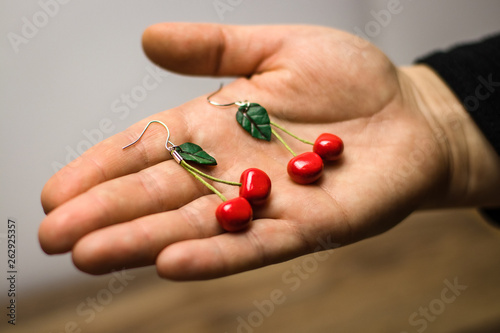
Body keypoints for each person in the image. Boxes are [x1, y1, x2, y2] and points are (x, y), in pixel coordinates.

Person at [38, 23, 500, 280]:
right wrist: (443, 106)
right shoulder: (257, 168)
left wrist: (442, 109)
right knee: (238, 179)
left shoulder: (291, 143)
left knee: (262, 165)